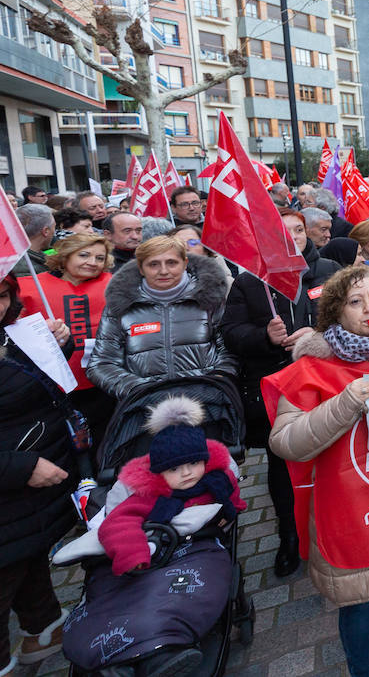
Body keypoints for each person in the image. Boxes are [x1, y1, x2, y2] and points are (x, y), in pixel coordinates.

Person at [264, 267, 369, 677]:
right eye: (355, 302)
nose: (368, 309)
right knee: (358, 607)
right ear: (335, 312)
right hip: (347, 516)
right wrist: (344, 403)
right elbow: (286, 442)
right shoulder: (310, 370)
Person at [222, 210, 342, 578]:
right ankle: (289, 536)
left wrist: (318, 337)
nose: (294, 237)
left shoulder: (331, 271)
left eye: (299, 230)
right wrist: (264, 337)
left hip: (329, 379)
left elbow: (357, 318)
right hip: (280, 385)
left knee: (335, 459)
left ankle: (334, 531)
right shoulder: (249, 282)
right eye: (284, 232)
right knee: (284, 465)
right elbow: (230, 333)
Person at [0, 274, 75, 673]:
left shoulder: (12, 332)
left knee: (28, 558)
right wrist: (20, 467)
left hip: (32, 485)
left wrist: (57, 343)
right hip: (17, 477)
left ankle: (44, 631)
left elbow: (40, 381)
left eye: (1, 296)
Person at [96, 396, 246, 576]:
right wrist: (133, 554)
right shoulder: (152, 495)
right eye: (174, 469)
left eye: (194, 463)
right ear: (160, 473)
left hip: (206, 547)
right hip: (163, 555)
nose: (186, 473)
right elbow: (118, 522)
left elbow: (232, 492)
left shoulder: (218, 479)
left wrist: (231, 511)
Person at [86, 236, 236, 399]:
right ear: (141, 268)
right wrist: (139, 391)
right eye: (153, 264)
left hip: (208, 399)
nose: (163, 271)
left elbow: (230, 350)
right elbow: (102, 364)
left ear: (185, 264)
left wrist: (216, 381)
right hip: (146, 406)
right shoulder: (120, 306)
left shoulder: (210, 299)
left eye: (172, 263)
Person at [18, 232, 115, 445]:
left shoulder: (116, 284)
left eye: (100, 258)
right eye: (84, 255)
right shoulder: (27, 287)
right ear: (66, 256)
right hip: (52, 385)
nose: (92, 262)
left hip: (103, 384)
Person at [12, 205, 54, 279]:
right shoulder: (27, 270)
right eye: (54, 227)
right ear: (46, 231)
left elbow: (52, 253)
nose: (55, 232)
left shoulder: (45, 251)